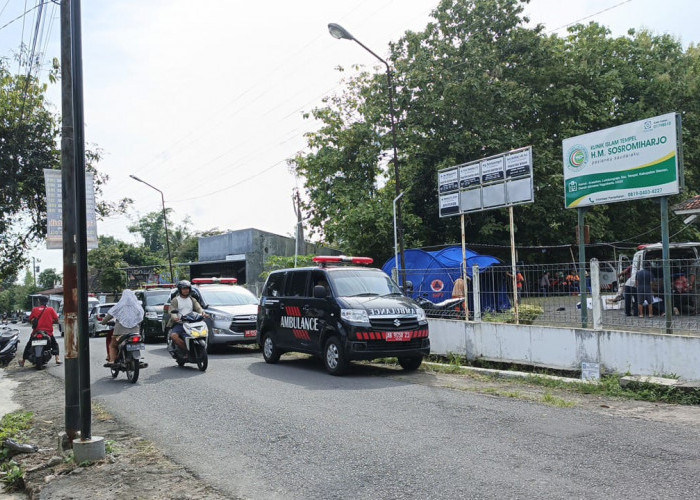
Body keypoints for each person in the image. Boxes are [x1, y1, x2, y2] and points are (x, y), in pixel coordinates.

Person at [101, 290, 144, 366]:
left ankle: (112, 360)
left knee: (113, 345)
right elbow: (141, 318)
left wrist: (103, 322)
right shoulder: (138, 307)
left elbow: (109, 316)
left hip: (120, 333)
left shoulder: (119, 306)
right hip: (135, 333)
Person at [167, 280, 208, 351]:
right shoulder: (175, 300)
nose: (186, 290)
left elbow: (198, 308)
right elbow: (172, 311)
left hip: (192, 323)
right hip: (180, 323)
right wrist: (175, 318)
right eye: (184, 289)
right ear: (180, 290)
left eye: (187, 288)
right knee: (174, 336)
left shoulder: (192, 299)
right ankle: (185, 350)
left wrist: (203, 313)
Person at [20, 295, 60, 366]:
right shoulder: (51, 309)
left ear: (39, 302)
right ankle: (57, 358)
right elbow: (57, 320)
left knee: (28, 345)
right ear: (47, 302)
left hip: (36, 332)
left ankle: (23, 361)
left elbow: (30, 320)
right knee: (54, 344)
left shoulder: (35, 309)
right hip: (48, 333)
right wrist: (51, 321)